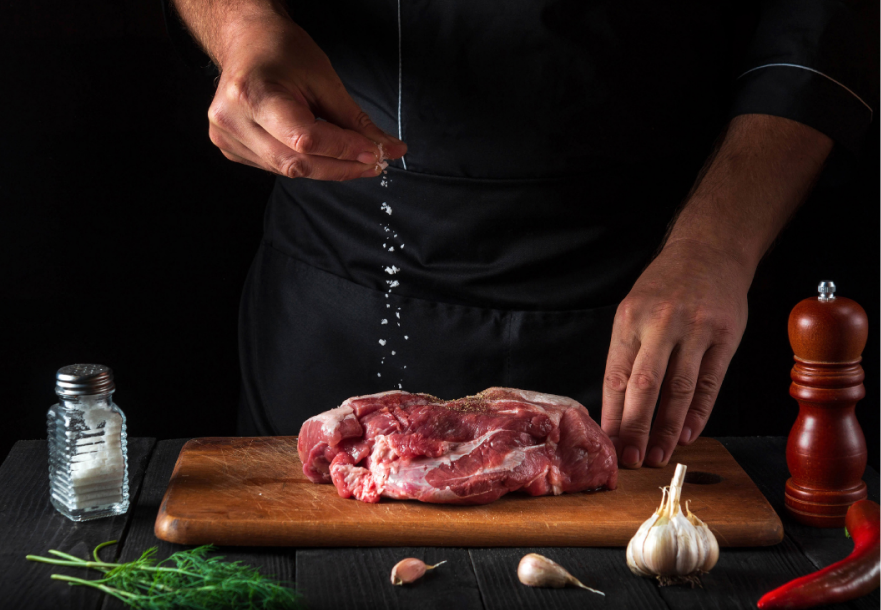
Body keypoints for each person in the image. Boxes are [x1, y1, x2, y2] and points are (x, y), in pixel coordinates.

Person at [165, 0, 878, 468]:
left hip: (659, 273)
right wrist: (243, 27)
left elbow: (821, 16)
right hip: (345, 273)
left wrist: (715, 245)